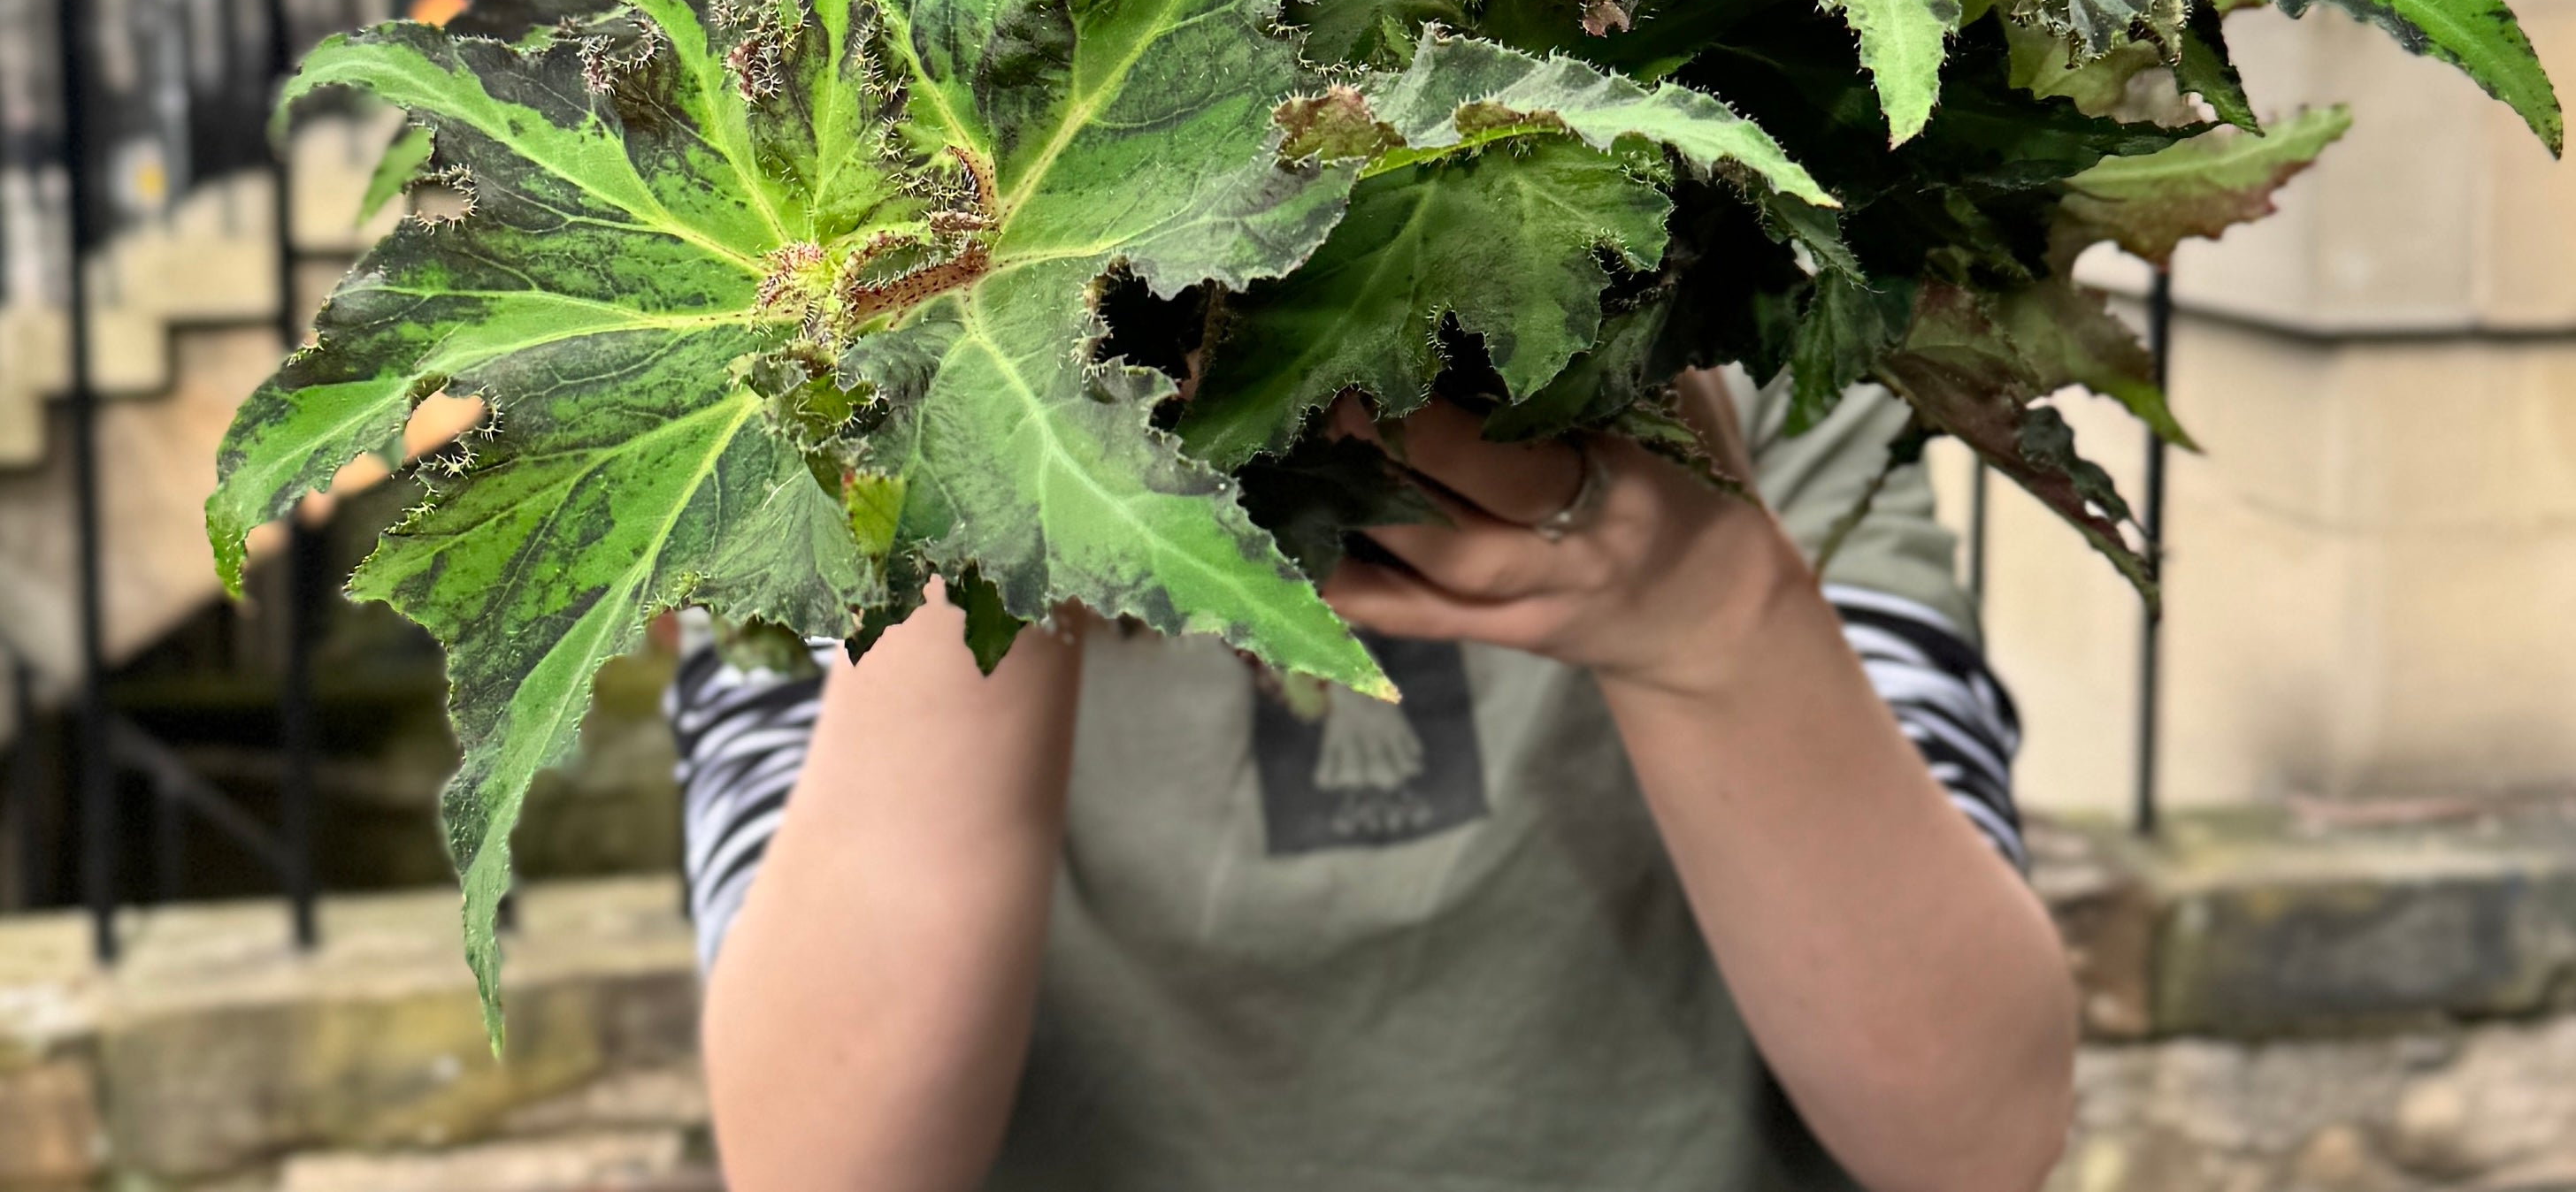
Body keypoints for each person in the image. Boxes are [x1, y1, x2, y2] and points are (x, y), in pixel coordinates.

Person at [675, 374, 2078, 1192]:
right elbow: (820, 1156)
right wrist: (969, 507)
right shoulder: (809, 419)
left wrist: (1713, 610)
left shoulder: (1757, 333)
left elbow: (1973, 1135)